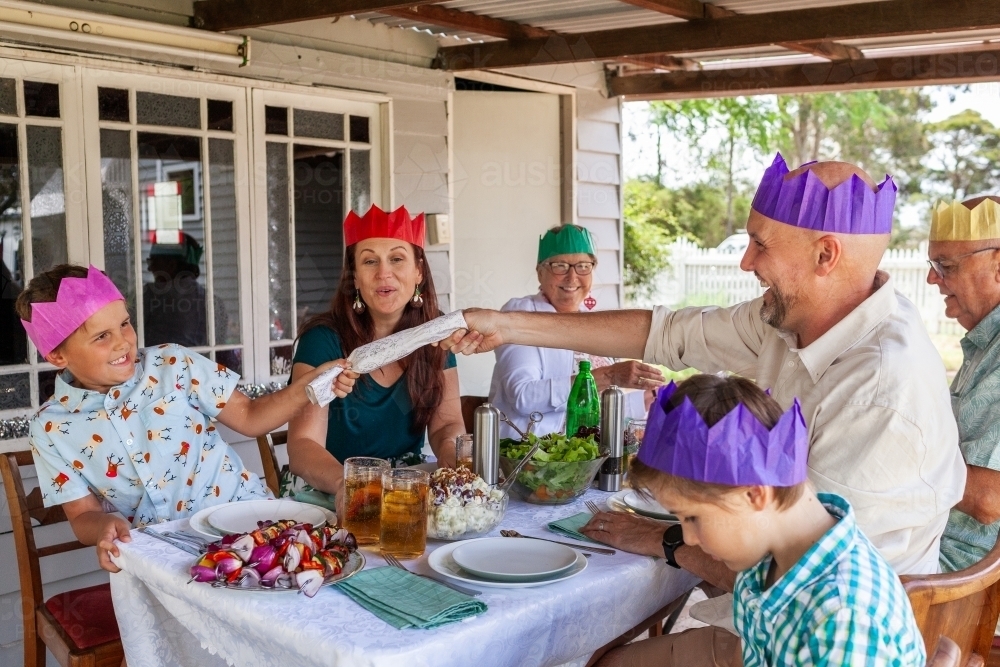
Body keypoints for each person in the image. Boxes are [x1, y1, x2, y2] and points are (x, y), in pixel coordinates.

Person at [440, 154, 965, 662]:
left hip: (810, 636)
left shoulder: (880, 391)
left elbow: (786, 563)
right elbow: (669, 333)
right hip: (767, 622)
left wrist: (668, 540)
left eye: (760, 244)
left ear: (825, 255)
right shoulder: (800, 313)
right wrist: (507, 326)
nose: (746, 261)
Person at [17, 264, 356, 573]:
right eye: (101, 336)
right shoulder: (49, 429)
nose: (123, 342)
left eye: (124, 323)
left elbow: (252, 418)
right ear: (58, 355)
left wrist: (305, 387)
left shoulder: (173, 364)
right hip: (170, 554)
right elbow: (82, 517)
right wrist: (104, 527)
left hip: (252, 525)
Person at [597, 375, 925, 667]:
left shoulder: (843, 621)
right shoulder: (772, 556)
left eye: (692, 517)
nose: (690, 537)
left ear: (754, 495)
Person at [287, 204, 466, 512]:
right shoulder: (322, 340)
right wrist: (350, 486)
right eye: (370, 261)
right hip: (330, 490)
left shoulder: (436, 334)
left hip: (405, 488)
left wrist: (454, 467)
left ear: (418, 271)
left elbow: (446, 424)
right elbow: (304, 445)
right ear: (355, 278)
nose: (384, 273)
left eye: (397, 259)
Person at [489, 224, 663, 438]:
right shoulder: (520, 315)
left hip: (582, 459)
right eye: (560, 266)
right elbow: (523, 398)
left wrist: (649, 397)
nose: (572, 278)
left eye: (582, 266)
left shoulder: (593, 322)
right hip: (527, 458)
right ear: (540, 272)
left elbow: (590, 411)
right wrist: (609, 375)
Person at [927, 196, 1000, 572]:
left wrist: (898, 455)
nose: (931, 278)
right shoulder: (985, 342)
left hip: (963, 586)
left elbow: (989, 500)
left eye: (946, 266)